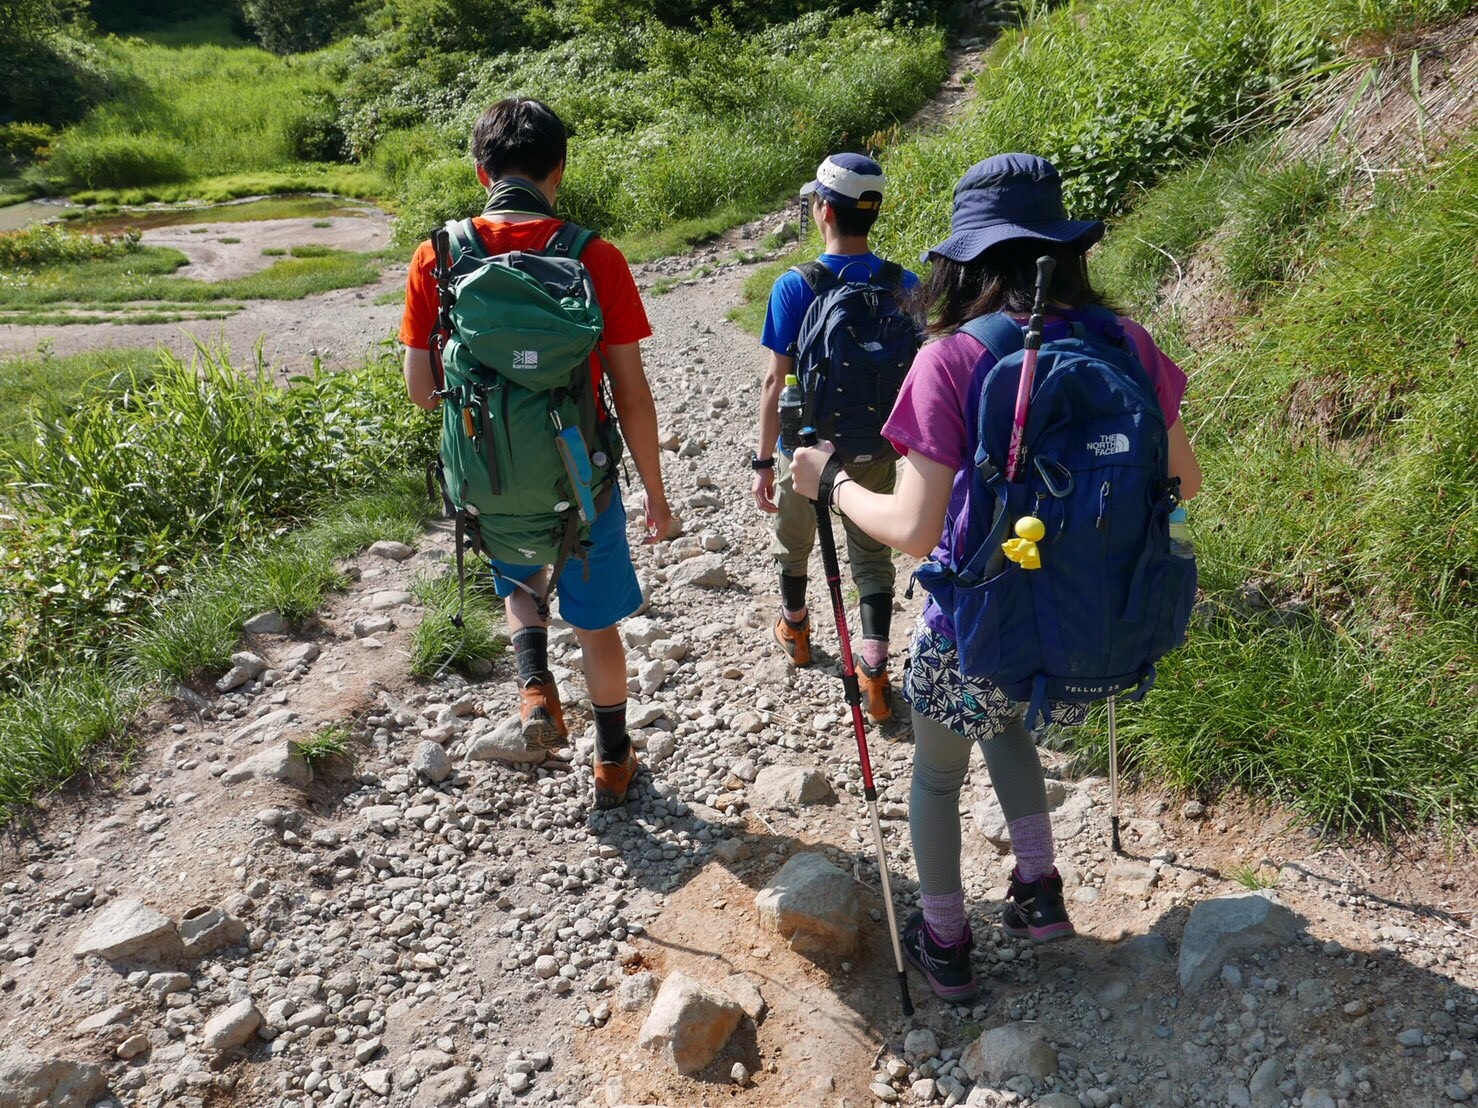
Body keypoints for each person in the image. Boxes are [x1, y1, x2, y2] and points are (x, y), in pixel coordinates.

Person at [791, 153, 1202, 1001]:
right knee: (1005, 722)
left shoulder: (952, 358)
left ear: (966, 259)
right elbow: (1183, 481)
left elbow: (914, 527)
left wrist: (828, 482)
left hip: (981, 622)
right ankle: (1040, 892)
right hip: (1095, 608)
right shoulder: (1127, 342)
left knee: (938, 772)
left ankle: (944, 939)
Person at [399, 97, 672, 810]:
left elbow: (422, 392)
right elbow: (631, 393)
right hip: (580, 480)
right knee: (596, 622)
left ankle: (533, 691)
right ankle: (613, 761)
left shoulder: (440, 255)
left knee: (520, 580)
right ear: (559, 169)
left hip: (490, 480)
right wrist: (657, 495)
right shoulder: (594, 256)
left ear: (479, 169)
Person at [751, 152, 920, 721]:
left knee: (793, 539)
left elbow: (776, 381)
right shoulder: (907, 284)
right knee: (871, 557)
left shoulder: (795, 286)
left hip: (808, 448)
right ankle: (874, 671)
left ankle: (796, 629)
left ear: (823, 209)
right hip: (877, 444)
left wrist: (763, 461)